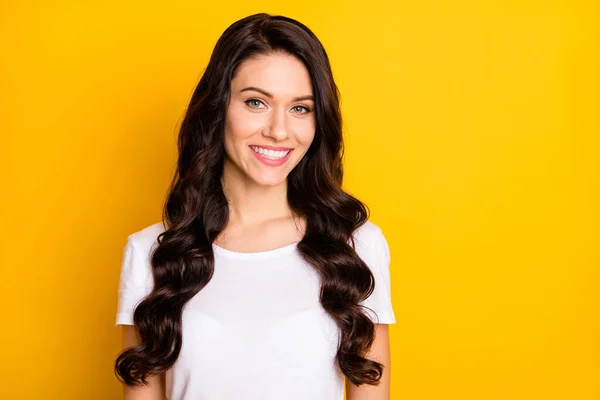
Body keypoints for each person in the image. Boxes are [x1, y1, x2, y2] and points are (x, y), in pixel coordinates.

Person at [115, 12, 396, 400]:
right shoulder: (152, 252)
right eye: (255, 102)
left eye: (301, 108)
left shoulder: (355, 246)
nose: (279, 130)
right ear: (218, 109)